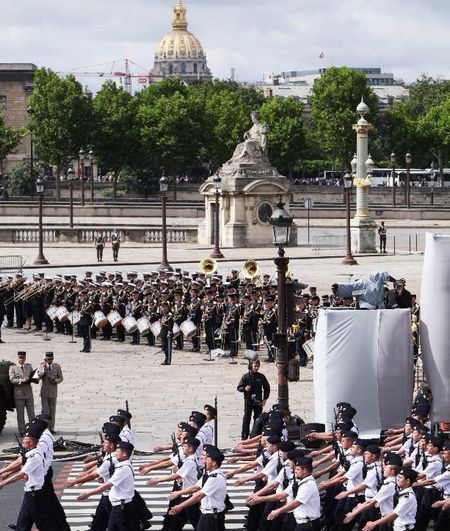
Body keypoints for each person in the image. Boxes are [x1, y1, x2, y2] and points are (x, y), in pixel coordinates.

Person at [78, 440, 139, 531]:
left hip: (122, 508)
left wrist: (88, 493)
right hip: (119, 506)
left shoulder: (123, 468)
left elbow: (108, 485)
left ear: (124, 454)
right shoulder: (121, 465)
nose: (116, 453)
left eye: (118, 451)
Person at [168, 444, 228, 531]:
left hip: (212, 516)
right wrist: (178, 493)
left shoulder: (215, 478)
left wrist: (180, 506)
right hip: (206, 514)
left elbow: (199, 495)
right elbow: (195, 487)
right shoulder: (207, 474)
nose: (202, 459)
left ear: (214, 462)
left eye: (205, 457)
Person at [237, 358, 271, 440]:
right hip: (248, 400)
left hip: (258, 401)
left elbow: (267, 388)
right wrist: (245, 389)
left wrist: (265, 399)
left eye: (258, 366)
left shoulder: (261, 376)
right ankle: (244, 436)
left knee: (258, 419)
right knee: (246, 418)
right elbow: (239, 387)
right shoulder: (245, 376)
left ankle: (256, 435)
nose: (256, 368)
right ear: (251, 366)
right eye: (255, 366)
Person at [8, 351, 36, 435]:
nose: (22, 359)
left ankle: (33, 430)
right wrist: (21, 381)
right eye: (20, 357)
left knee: (31, 413)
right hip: (19, 394)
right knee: (20, 415)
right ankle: (22, 431)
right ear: (17, 358)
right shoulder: (13, 368)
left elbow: (32, 377)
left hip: (28, 393)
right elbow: (12, 380)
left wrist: (36, 378)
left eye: (23, 357)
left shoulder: (29, 367)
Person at [36, 352, 63, 434]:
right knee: (44, 410)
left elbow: (61, 378)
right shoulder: (41, 366)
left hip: (53, 391)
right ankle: (44, 428)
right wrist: (44, 368)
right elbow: (37, 377)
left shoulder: (57, 366)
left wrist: (55, 381)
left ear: (53, 358)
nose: (49, 360)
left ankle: (51, 427)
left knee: (52, 410)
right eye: (47, 359)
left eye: (50, 359)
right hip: (44, 392)